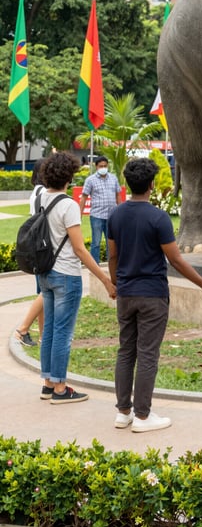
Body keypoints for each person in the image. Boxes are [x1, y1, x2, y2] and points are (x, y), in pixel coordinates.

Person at [107, 158, 202, 432]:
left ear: (128, 183)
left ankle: (123, 412)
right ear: (151, 185)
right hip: (152, 295)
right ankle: (143, 417)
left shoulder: (116, 215)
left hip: (125, 293)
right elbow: (177, 261)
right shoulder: (158, 218)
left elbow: (113, 255)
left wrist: (115, 283)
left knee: (126, 350)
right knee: (147, 353)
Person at [37, 152, 115, 403]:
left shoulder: (39, 198)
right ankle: (60, 388)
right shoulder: (68, 205)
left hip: (45, 272)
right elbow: (80, 249)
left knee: (49, 328)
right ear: (69, 176)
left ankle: (48, 382)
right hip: (66, 275)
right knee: (62, 332)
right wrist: (104, 279)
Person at [15, 159, 46, 347]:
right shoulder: (44, 193)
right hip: (43, 248)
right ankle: (23, 329)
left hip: (36, 248)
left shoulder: (35, 191)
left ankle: (43, 335)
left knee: (43, 292)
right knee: (47, 292)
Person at [79, 155, 121, 264]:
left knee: (110, 243)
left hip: (111, 216)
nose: (103, 168)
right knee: (96, 243)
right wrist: (80, 214)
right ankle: (95, 265)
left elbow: (118, 195)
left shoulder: (113, 178)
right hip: (96, 216)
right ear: (96, 167)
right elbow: (84, 197)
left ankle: (111, 264)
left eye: (105, 166)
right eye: (101, 166)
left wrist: (120, 212)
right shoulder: (90, 180)